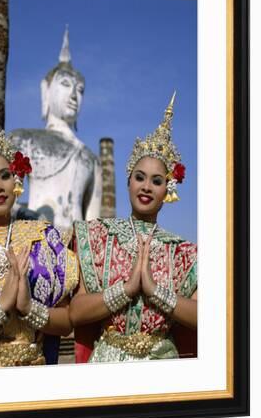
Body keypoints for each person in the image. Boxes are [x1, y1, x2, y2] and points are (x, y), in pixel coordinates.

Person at [0, 77, 78, 369]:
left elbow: (69, 320)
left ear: (16, 180)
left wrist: (27, 308)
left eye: (5, 175)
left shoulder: (44, 239)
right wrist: (0, 308)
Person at [70, 93, 197, 363]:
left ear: (168, 190)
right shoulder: (96, 236)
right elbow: (76, 313)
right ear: (129, 181)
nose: (146, 187)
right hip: (108, 362)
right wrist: (126, 290)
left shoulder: (184, 252)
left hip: (163, 364)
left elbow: (206, 318)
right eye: (140, 178)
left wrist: (155, 292)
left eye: (157, 181)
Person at [9, 27, 102, 230]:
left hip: (74, 249)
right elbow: (1, 200)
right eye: (66, 84)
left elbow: (93, 223)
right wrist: (22, 213)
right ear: (46, 89)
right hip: (31, 241)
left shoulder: (90, 158)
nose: (74, 95)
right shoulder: (24, 140)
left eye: (80, 90)